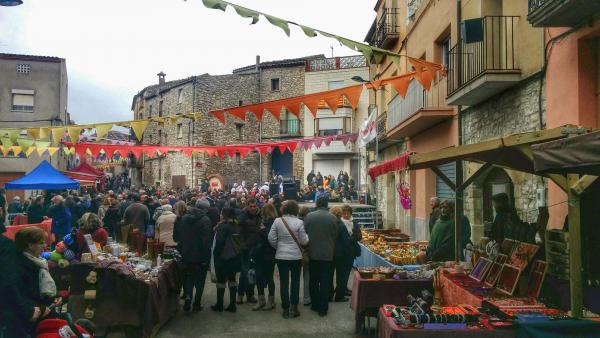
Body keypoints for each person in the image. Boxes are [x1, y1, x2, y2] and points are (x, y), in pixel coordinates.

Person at [14, 227, 60, 336]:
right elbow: (19, 295)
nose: (45, 246)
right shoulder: (19, 266)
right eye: (41, 243)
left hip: (44, 313)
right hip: (32, 319)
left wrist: (55, 296)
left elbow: (46, 286)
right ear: (30, 245)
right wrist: (41, 307)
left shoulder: (38, 261)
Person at [268, 200, 308, 319]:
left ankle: (285, 309)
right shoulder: (299, 222)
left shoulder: (277, 221)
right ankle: (294, 308)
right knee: (295, 282)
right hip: (296, 256)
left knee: (284, 282)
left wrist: (279, 247)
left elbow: (271, 238)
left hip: (281, 256)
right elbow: (304, 240)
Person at [178, 199, 213, 312]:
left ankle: (188, 297)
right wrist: (206, 258)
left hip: (186, 253)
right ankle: (197, 303)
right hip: (200, 256)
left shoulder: (184, 218)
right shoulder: (206, 220)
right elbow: (206, 241)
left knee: (189, 277)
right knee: (200, 280)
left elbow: (180, 237)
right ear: (205, 209)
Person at [304, 197, 337, 317]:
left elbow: (305, 233)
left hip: (312, 253)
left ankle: (315, 304)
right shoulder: (332, 218)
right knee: (325, 281)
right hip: (327, 253)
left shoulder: (309, 216)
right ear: (327, 204)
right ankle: (323, 308)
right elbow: (335, 235)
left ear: (317, 204)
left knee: (313, 280)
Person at [211, 207, 243, 313]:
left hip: (223, 258)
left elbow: (219, 242)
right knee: (232, 280)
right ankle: (232, 304)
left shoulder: (223, 227)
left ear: (224, 215)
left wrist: (215, 256)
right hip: (235, 256)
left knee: (221, 281)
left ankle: (219, 304)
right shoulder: (237, 226)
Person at [251, 203, 277, 311]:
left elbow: (269, 238)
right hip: (263, 253)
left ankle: (269, 301)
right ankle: (263, 300)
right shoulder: (264, 222)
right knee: (261, 277)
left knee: (266, 277)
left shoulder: (273, 223)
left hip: (267, 253)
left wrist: (261, 231)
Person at [236, 199, 261, 304]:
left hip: (256, 248)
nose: (252, 208)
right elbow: (238, 233)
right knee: (244, 273)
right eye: (250, 206)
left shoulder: (260, 216)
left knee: (253, 273)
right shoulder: (242, 216)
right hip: (245, 249)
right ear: (247, 206)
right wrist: (242, 245)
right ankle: (240, 294)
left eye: (254, 206)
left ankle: (250, 295)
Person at [329, 207, 352, 302]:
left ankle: (329, 295)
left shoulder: (329, 224)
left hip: (330, 253)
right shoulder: (341, 225)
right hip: (340, 254)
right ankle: (339, 296)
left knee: (329, 275)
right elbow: (346, 242)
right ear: (340, 214)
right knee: (340, 276)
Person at [341, 204, 361, 294]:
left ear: (350, 213)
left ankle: (344, 287)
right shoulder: (340, 223)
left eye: (347, 213)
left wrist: (352, 238)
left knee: (347, 270)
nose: (345, 215)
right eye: (344, 213)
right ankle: (341, 288)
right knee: (342, 271)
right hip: (342, 251)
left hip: (351, 251)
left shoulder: (355, 222)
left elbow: (359, 236)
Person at [298, 206, 312, 306]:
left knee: (296, 277)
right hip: (306, 252)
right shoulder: (308, 223)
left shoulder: (297, 222)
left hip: (296, 252)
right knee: (307, 275)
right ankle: (307, 297)